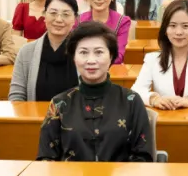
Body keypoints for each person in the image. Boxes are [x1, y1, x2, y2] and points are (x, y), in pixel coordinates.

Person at [37, 22, 152, 162]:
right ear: (74, 57)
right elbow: (46, 158)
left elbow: (143, 157)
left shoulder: (131, 100)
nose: (91, 60)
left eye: (99, 52)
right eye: (83, 52)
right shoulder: (59, 104)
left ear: (111, 56)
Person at [133, 0, 188, 108]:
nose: (178, 32)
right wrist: (154, 99)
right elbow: (136, 91)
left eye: (185, 26)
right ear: (165, 28)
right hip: (164, 117)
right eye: (173, 25)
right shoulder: (152, 59)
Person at [10, 0, 80, 102]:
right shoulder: (26, 52)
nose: (59, 19)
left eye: (66, 14)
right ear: (44, 14)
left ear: (75, 18)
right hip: (35, 114)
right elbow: (16, 97)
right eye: (53, 13)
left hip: (75, 114)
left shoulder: (84, 52)